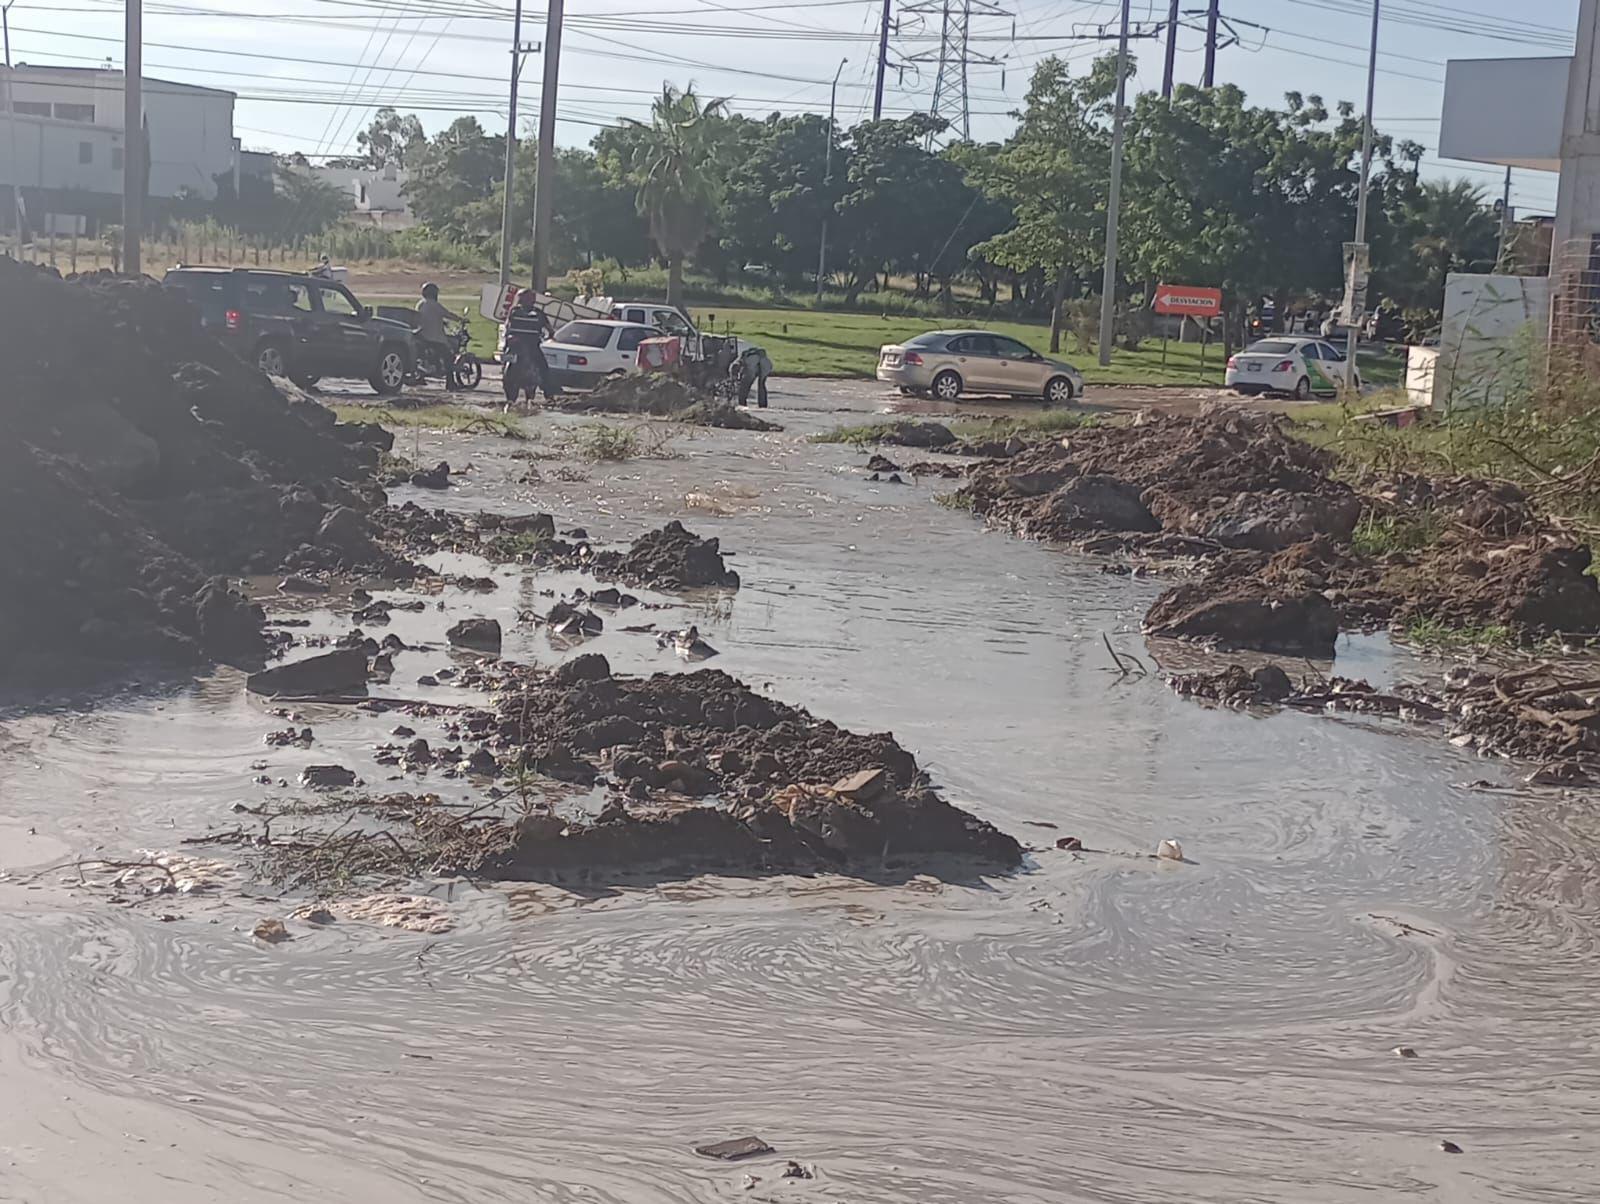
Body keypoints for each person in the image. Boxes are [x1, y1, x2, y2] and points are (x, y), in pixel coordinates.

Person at [503, 288, 557, 402]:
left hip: (517, 345)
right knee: (544, 369)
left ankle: (548, 395)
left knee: (507, 361)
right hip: (527, 345)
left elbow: (507, 326)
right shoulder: (537, 312)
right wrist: (551, 335)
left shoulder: (514, 311)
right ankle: (549, 395)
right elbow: (549, 329)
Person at [415, 282, 458, 390]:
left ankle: (421, 377)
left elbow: (425, 317)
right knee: (449, 357)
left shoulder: (420, 304)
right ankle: (450, 383)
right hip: (435, 338)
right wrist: (460, 319)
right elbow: (448, 314)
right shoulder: (435, 305)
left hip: (422, 336)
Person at [735, 343, 773, 408]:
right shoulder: (747, 351)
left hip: (752, 361)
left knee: (745, 384)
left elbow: (740, 370)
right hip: (766, 362)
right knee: (761, 384)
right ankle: (763, 405)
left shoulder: (740, 359)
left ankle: (742, 403)